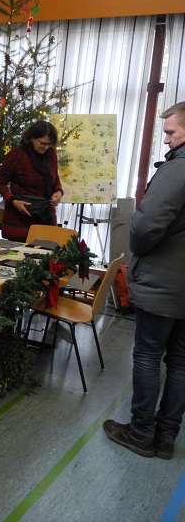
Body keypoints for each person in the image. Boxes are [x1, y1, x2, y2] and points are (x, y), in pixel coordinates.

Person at [103, 101, 185, 460]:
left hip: (164, 284)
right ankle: (166, 438)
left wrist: (136, 248)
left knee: (149, 355)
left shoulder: (177, 170)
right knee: (181, 363)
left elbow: (146, 225)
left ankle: (140, 432)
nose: (166, 140)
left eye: (171, 132)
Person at [0, 120, 64, 242]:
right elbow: (0, 182)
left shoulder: (51, 155)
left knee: (45, 257)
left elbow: (55, 177)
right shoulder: (16, 156)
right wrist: (13, 200)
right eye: (42, 143)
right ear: (31, 138)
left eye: (49, 144)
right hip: (18, 220)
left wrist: (58, 191)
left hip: (46, 218)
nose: (46, 147)